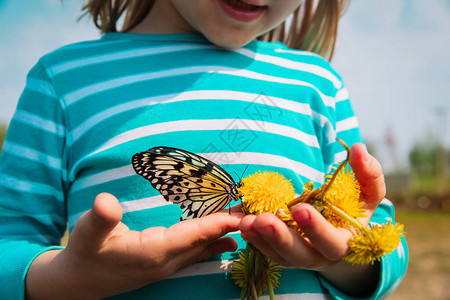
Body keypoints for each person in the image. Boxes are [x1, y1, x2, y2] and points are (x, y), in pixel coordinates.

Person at [0, 0, 408, 299]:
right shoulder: (64, 81)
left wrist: (338, 260)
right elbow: (9, 239)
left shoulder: (317, 84)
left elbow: (384, 238)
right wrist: (65, 278)